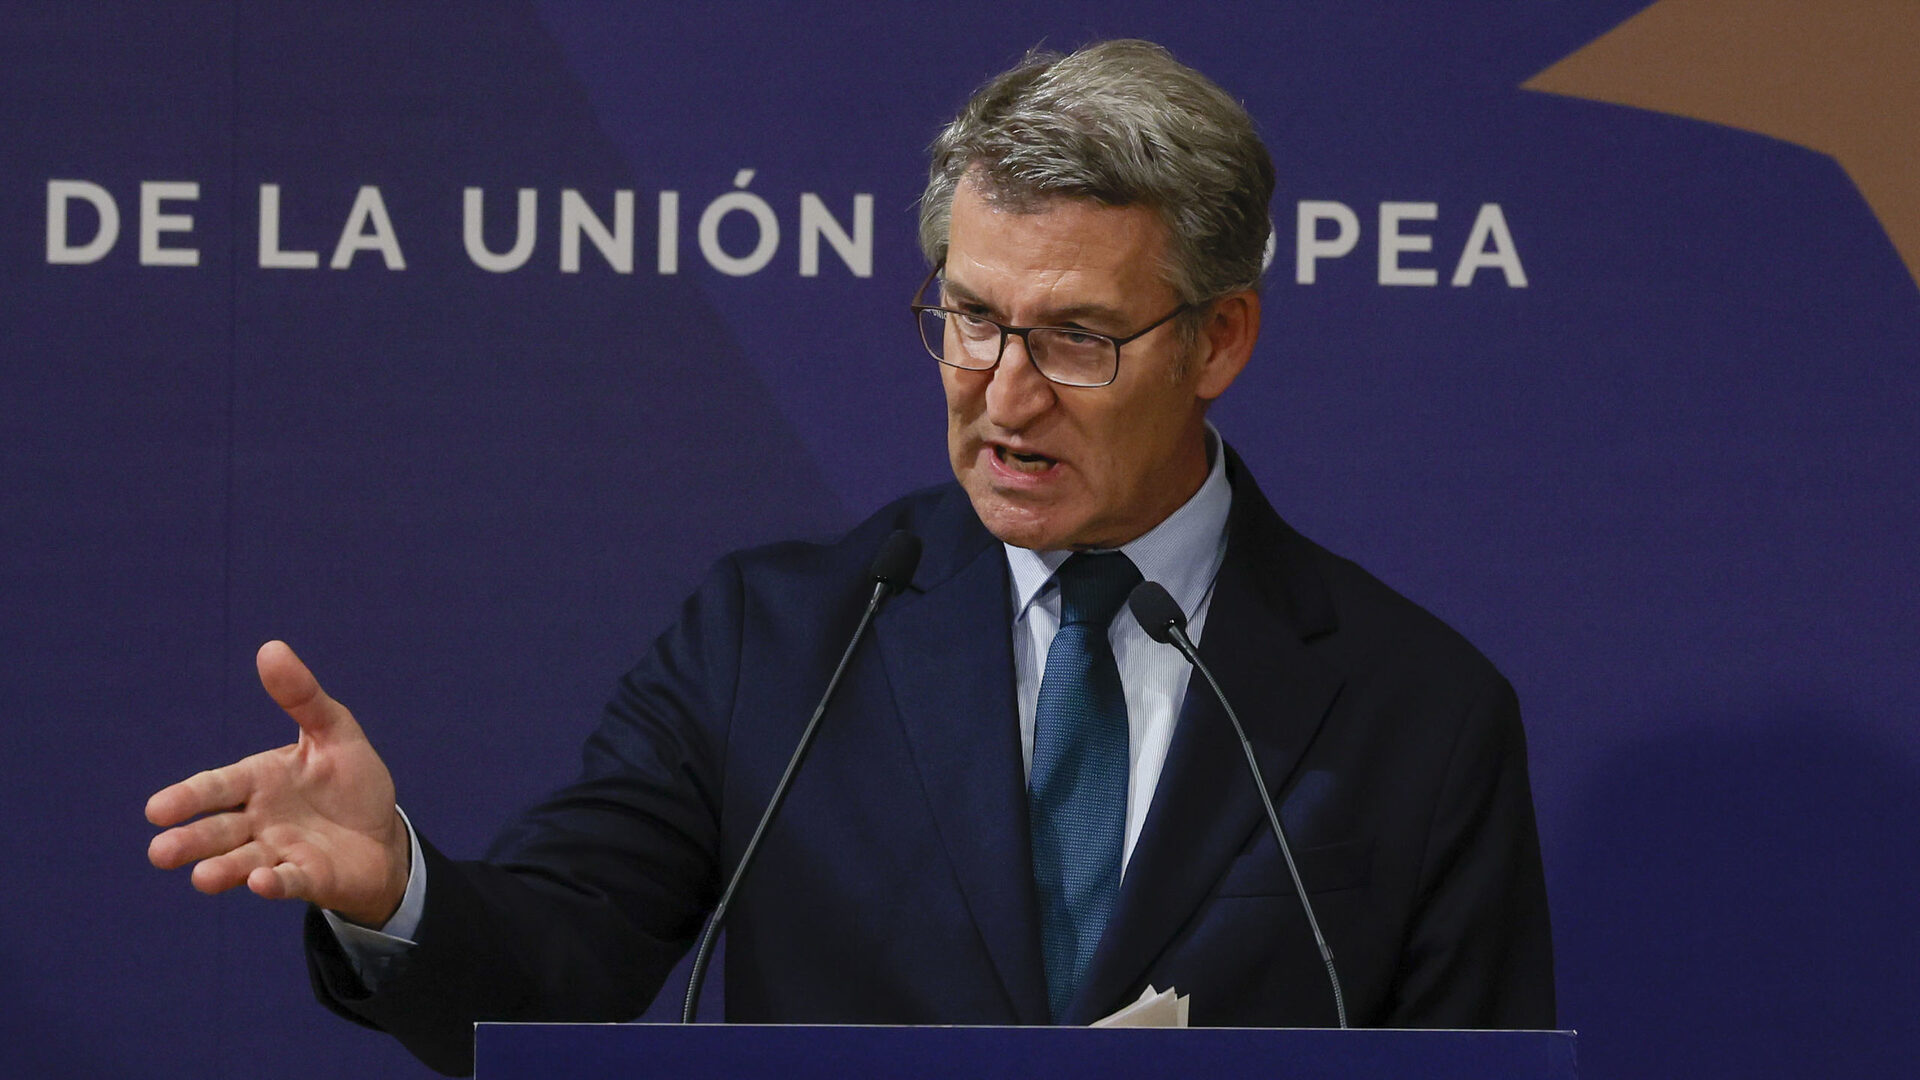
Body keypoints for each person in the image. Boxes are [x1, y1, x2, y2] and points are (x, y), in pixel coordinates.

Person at [147, 40, 1553, 1077]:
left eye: (1077, 337)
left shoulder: (1418, 714)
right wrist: (397, 886)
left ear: (1219, 339)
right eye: (972, 318)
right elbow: (549, 976)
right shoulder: (776, 644)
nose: (1006, 396)